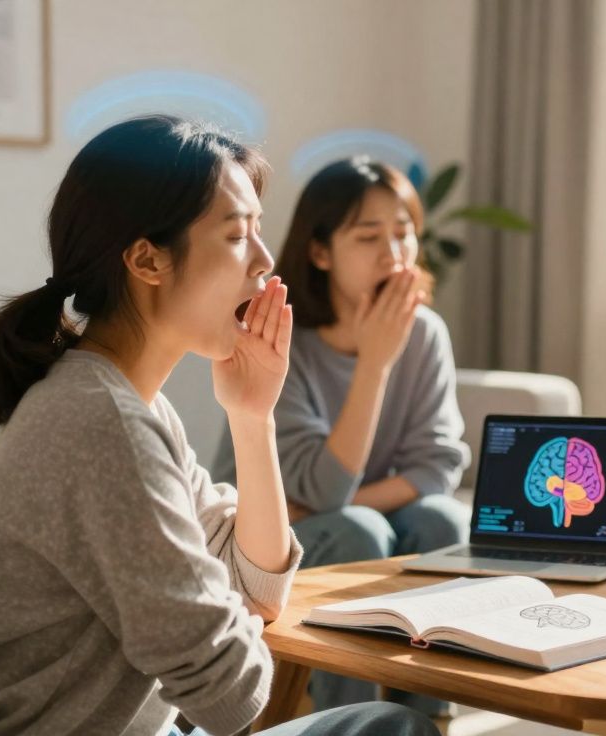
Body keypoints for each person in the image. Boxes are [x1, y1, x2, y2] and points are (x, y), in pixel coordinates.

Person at [0, 116, 438, 736]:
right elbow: (231, 697)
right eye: (236, 234)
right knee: (388, 728)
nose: (266, 259)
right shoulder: (101, 424)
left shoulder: (126, 402)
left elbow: (259, 588)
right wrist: (225, 617)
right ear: (148, 260)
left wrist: (252, 418)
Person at [212, 156, 469, 713]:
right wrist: (375, 364)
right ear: (321, 251)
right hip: (265, 545)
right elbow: (328, 494)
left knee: (442, 518)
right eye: (368, 235)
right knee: (359, 529)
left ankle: (424, 716)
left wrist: (349, 504)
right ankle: (347, 721)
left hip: (346, 520)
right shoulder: (286, 338)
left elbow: (438, 468)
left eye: (403, 234)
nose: (394, 253)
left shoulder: (424, 333)